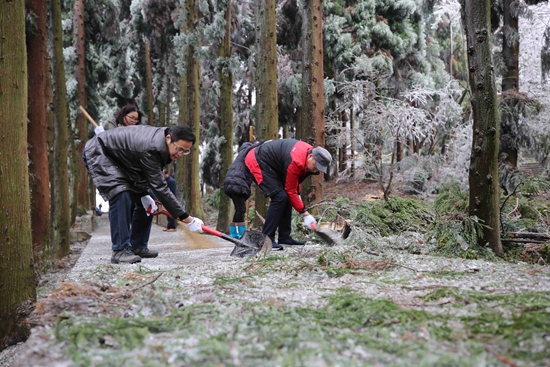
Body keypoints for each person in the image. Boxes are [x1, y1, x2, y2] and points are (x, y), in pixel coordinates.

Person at [83, 125, 204, 264]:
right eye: (179, 149)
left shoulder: (160, 145)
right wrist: (187, 219)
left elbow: (140, 172)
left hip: (122, 161)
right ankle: (120, 250)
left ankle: (137, 245)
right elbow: (160, 187)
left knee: (149, 202)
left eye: (185, 151)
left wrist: (143, 194)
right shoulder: (152, 148)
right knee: (121, 194)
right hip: (100, 151)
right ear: (169, 138)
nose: (180, 154)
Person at [226, 139, 332, 250]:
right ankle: (266, 239)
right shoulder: (295, 160)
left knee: (286, 196)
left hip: (274, 166)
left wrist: (298, 194)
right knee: (280, 196)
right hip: (257, 161)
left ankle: (284, 236)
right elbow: (290, 189)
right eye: (315, 166)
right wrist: (305, 213)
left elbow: (294, 182)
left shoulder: (306, 156)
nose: (315, 170)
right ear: (310, 156)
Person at [223, 141, 262, 239]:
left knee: (239, 209)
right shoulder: (246, 152)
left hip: (232, 183)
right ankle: (240, 234)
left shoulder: (241, 155)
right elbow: (252, 148)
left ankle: (235, 233)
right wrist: (262, 143)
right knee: (241, 209)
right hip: (236, 183)